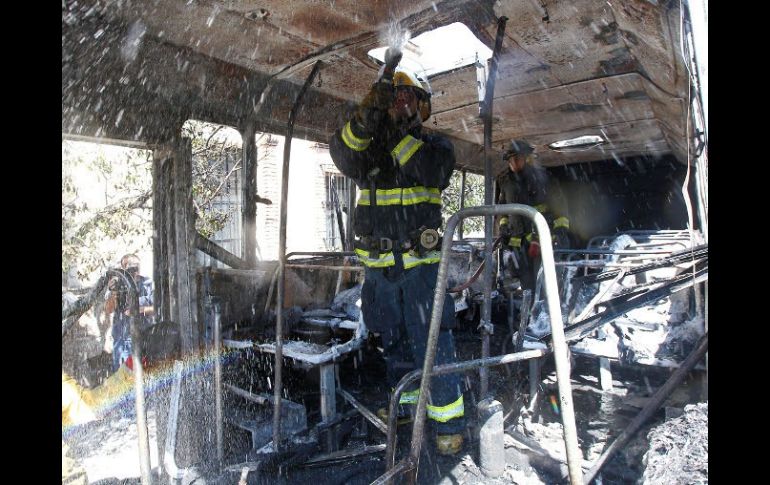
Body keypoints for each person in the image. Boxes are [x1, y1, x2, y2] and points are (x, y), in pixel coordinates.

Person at [329, 65, 465, 455]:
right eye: (394, 97)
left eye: (408, 97)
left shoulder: (437, 147)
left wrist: (393, 135)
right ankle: (406, 406)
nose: (400, 102)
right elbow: (342, 153)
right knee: (395, 341)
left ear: (422, 106)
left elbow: (429, 172)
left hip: (421, 268)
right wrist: (365, 117)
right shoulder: (368, 149)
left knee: (433, 342)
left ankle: (448, 423)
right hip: (380, 270)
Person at [495, 140, 572, 292]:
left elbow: (560, 209)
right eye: (510, 160)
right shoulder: (505, 181)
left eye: (517, 159)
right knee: (526, 284)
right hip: (518, 244)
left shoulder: (544, 179)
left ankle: (546, 306)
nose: (513, 163)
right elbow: (502, 209)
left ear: (527, 158)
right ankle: (529, 306)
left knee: (544, 282)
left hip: (542, 241)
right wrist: (503, 227)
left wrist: (559, 232)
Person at [106, 254, 155, 372]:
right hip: (122, 342)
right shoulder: (117, 284)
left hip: (145, 339)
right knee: (122, 375)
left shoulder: (148, 284)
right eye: (130, 267)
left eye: (136, 266)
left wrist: (140, 310)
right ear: (123, 268)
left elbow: (157, 308)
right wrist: (114, 292)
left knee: (146, 373)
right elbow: (108, 309)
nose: (134, 270)